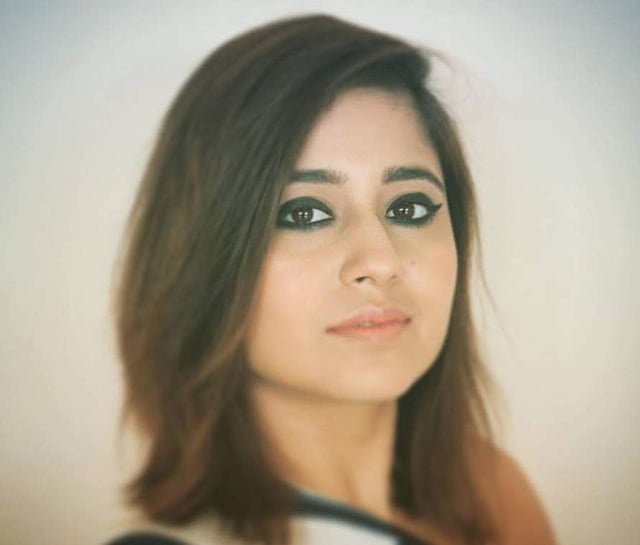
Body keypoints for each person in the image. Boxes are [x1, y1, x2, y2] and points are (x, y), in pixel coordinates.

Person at [108, 13, 556, 545]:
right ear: (200, 260)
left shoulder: (490, 491)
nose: (381, 261)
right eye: (304, 214)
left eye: (410, 208)